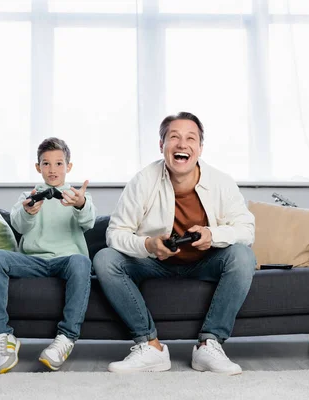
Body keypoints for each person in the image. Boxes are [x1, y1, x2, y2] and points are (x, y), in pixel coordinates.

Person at [93, 112, 256, 375]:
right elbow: (115, 233)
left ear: (200, 148)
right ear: (162, 146)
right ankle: (150, 346)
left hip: (205, 262)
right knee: (105, 258)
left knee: (243, 256)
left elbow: (247, 230)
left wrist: (212, 235)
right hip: (155, 263)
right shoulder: (143, 181)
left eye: (190, 138)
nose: (182, 144)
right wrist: (148, 244)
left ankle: (209, 345)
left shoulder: (221, 182)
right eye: (174, 137)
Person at [0, 137, 96, 374]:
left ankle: (65, 338)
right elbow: (19, 225)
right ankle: (2, 337)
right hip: (32, 261)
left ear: (69, 167)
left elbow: (89, 221)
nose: (52, 169)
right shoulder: (28, 195)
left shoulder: (76, 197)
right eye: (46, 164)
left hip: (66, 261)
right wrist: (28, 211)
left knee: (81, 262)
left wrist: (80, 203)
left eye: (58, 163)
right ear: (38, 167)